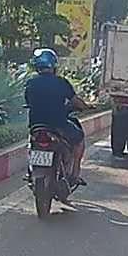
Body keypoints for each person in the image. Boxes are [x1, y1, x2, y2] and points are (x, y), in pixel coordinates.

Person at [25, 48, 90, 185]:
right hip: (58, 125)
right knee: (79, 141)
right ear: (54, 65)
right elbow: (75, 101)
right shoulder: (61, 82)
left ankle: (30, 171)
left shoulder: (30, 83)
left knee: (31, 144)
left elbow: (28, 102)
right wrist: (86, 106)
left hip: (36, 126)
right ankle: (74, 175)